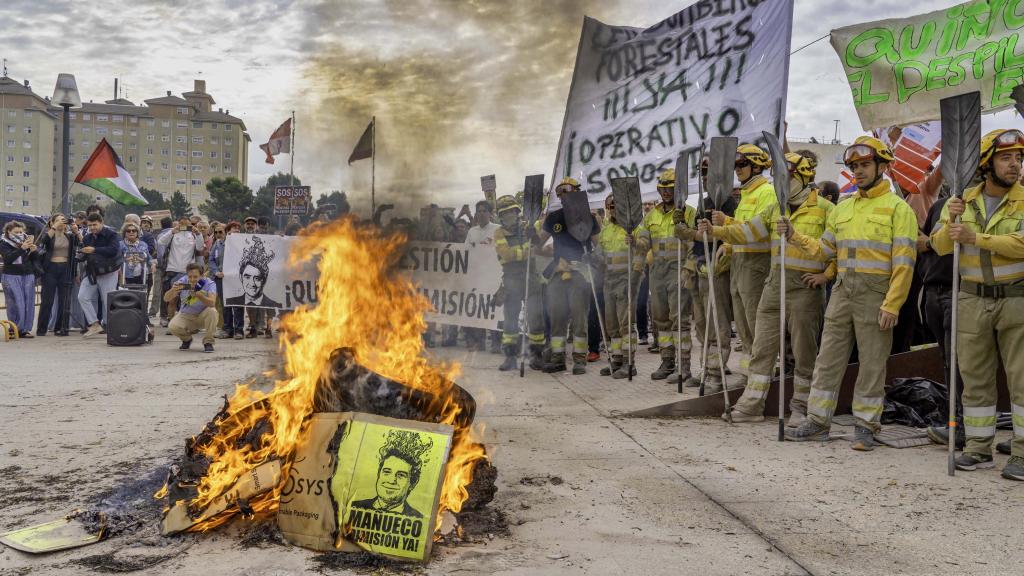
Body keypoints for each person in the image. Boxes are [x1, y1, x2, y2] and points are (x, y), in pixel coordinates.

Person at [782, 136, 918, 450]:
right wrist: (794, 235)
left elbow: (904, 264)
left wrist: (893, 304)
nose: (858, 171)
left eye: (865, 164)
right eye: (854, 166)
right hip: (842, 291)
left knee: (872, 363)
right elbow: (823, 251)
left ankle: (866, 427)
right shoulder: (844, 208)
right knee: (827, 359)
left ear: (883, 166)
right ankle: (817, 422)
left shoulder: (899, 209)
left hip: (876, 295)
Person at [700, 153, 835, 421]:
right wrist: (718, 231)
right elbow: (749, 232)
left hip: (804, 287)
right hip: (775, 282)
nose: (780, 182)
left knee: (803, 350)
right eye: (778, 177)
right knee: (762, 346)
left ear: (803, 178)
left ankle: (800, 406)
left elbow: (833, 251)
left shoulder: (826, 209)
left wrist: (826, 275)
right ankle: (752, 405)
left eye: (787, 177)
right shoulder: (776, 208)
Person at [931, 128, 1024, 479]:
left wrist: (976, 237)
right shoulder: (961, 200)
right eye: (1006, 157)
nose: (1014, 164)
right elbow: (940, 246)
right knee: (975, 379)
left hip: (1016, 299)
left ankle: (1022, 455)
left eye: (1018, 158)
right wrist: (951, 220)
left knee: (1022, 381)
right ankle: (978, 449)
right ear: (987, 164)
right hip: (971, 298)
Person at [710, 144, 778, 386]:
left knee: (755, 323)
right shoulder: (748, 193)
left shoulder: (767, 193)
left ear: (757, 166)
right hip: (740, 263)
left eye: (742, 164)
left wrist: (721, 228)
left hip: (756, 266)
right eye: (735, 166)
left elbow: (756, 231)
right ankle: (751, 374)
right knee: (742, 324)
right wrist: (727, 243)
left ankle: (762, 375)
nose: (737, 170)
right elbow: (741, 227)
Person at [634, 168, 697, 384]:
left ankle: (684, 366)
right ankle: (667, 361)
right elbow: (644, 243)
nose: (666, 192)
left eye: (670, 188)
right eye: (663, 188)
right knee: (660, 319)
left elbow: (694, 245)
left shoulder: (688, 213)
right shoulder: (651, 215)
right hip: (657, 272)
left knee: (680, 319)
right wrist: (635, 242)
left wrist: (688, 268)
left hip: (678, 270)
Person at [534, 177, 599, 374]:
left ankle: (579, 360)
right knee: (557, 316)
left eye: (567, 191)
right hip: (558, 272)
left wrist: (593, 257)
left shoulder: (589, 218)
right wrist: (530, 232)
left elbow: (599, 245)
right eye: (560, 192)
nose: (563, 195)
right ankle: (557, 358)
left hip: (579, 272)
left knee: (579, 318)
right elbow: (538, 243)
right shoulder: (554, 218)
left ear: (577, 192)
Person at [690, 158, 737, 393]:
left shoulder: (730, 203)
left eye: (709, 173)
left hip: (719, 271)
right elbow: (701, 240)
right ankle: (706, 370)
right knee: (702, 324)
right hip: (701, 270)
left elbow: (732, 234)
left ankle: (716, 375)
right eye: (703, 174)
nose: (706, 178)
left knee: (718, 325)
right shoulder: (704, 201)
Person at [595, 195, 648, 378]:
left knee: (626, 323)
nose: (614, 210)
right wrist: (593, 258)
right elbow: (602, 256)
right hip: (609, 280)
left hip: (627, 280)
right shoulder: (605, 230)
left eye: (618, 206)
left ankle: (629, 362)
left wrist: (634, 279)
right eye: (611, 207)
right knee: (612, 324)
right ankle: (616, 359)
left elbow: (643, 250)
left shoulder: (637, 229)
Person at [493, 195, 546, 371]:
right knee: (510, 321)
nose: (509, 215)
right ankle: (510, 357)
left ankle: (536, 355)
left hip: (531, 279)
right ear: (500, 216)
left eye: (511, 211)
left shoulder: (528, 227)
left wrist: (534, 236)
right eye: (504, 212)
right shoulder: (498, 232)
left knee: (536, 318)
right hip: (511, 281)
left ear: (517, 212)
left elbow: (537, 247)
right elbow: (506, 255)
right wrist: (525, 251)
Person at [348, 431, 432, 517]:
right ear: (379, 474)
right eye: (387, 472)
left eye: (401, 475)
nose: (392, 481)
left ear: (412, 483)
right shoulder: (353, 507)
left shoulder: (418, 519)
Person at [77, 212, 123, 338]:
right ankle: (94, 324)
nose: (92, 228)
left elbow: (113, 250)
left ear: (101, 223)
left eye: (95, 225)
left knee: (107, 300)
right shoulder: (87, 238)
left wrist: (94, 250)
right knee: (82, 296)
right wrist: (81, 255)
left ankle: (110, 326)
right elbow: (86, 254)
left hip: (109, 272)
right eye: (90, 225)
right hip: (92, 272)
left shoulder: (111, 234)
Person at [465, 200, 502, 353]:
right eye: (478, 211)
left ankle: (496, 343)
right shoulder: (472, 231)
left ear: (490, 213)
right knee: (478, 308)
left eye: (484, 211)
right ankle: (479, 342)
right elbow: (464, 251)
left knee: (494, 309)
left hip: (494, 275)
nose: (481, 214)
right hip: (477, 275)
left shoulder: (498, 229)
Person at [35, 214, 77, 337]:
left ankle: (61, 327)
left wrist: (76, 231)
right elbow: (43, 242)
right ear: (51, 223)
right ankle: (41, 328)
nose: (61, 222)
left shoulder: (69, 236)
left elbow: (80, 246)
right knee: (47, 300)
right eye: (58, 220)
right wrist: (54, 228)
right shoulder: (49, 234)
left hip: (65, 269)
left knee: (64, 301)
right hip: (50, 269)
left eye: (63, 220)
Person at [158, 216, 204, 326]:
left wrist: (198, 234)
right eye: (182, 224)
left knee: (189, 299)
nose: (185, 227)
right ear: (178, 224)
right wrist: (172, 231)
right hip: (173, 271)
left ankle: (189, 323)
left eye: (187, 225)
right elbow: (161, 242)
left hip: (188, 273)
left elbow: (200, 247)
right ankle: (171, 323)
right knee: (173, 299)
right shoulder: (173, 233)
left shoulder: (193, 235)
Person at [165, 262, 218, 353]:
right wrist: (172, 290)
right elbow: (166, 298)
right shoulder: (183, 282)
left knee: (212, 311)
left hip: (203, 316)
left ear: (201, 276)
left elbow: (212, 303)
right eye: (190, 277)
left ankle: (208, 342)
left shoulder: (209, 283)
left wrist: (199, 296)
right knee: (172, 327)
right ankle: (187, 339)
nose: (192, 279)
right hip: (186, 315)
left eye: (195, 277)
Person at [0, 220, 38, 338]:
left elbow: (34, 259)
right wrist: (22, 249)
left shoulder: (26, 241)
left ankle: (25, 329)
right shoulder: (4, 243)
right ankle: (14, 328)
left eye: (21, 232)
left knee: (29, 302)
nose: (20, 234)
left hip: (27, 274)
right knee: (15, 302)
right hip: (11, 275)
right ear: (8, 231)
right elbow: (8, 259)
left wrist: (34, 251)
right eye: (16, 232)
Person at [225, 235, 281, 308]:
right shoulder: (230, 302)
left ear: (264, 280)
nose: (252, 283)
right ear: (241, 277)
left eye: (257, 278)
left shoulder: (275, 305)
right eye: (247, 277)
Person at [150, 216, 173, 318]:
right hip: (171, 265)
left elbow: (160, 253)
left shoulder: (160, 235)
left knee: (157, 289)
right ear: (171, 224)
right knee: (168, 289)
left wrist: (159, 263)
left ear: (161, 225)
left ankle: (153, 311)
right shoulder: (173, 234)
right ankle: (167, 312)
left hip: (161, 265)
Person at [120, 222, 153, 287]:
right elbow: (116, 260)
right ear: (125, 233)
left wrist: (153, 264)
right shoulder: (120, 244)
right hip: (125, 276)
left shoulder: (143, 244)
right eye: (128, 231)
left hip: (141, 275)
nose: (131, 232)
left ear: (137, 233)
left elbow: (149, 259)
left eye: (134, 231)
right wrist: (126, 259)